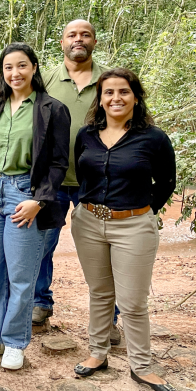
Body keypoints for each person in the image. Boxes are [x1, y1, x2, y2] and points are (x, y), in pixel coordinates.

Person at [70, 68, 176, 391]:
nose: (116, 98)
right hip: (88, 223)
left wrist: (139, 212)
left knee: (132, 302)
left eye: (124, 92)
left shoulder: (154, 138)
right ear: (100, 99)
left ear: (135, 96)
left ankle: (141, 366)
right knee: (100, 293)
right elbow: (82, 174)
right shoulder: (86, 135)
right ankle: (97, 353)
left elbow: (167, 182)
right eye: (109, 93)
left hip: (134, 226)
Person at [0, 43, 70, 370]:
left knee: (21, 275)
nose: (15, 73)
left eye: (21, 66)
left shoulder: (53, 109)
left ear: (34, 68)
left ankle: (14, 342)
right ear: (3, 71)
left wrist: (38, 201)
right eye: (8, 67)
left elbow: (58, 163)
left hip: (25, 193)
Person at [34, 20, 120, 344]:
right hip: (51, 179)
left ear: (95, 41)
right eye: (72, 35)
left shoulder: (109, 81)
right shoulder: (45, 79)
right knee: (42, 245)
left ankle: (108, 320)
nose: (78, 40)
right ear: (62, 42)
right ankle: (40, 305)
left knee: (103, 251)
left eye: (85, 35)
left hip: (98, 181)